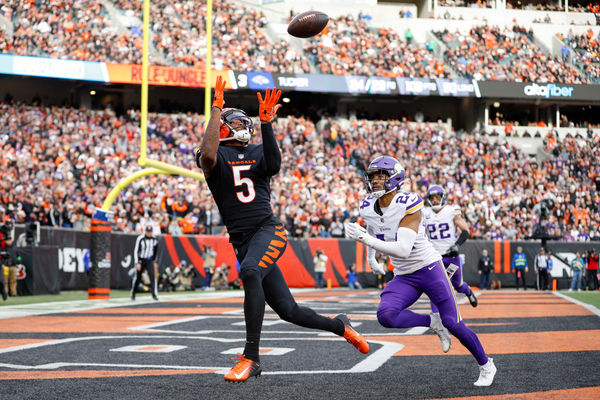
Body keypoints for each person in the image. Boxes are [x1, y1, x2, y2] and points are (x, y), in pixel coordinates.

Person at [196, 77, 369, 382]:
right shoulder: (215, 156)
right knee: (289, 311)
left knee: (250, 272)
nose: (242, 125)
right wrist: (215, 109)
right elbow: (208, 154)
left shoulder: (258, 152)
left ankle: (251, 357)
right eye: (235, 121)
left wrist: (266, 124)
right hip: (244, 241)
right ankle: (341, 325)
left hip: (268, 230)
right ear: (223, 127)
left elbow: (274, 163)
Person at [344, 155, 496, 386]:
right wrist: (371, 257)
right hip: (404, 275)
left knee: (453, 323)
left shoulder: (409, 202)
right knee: (386, 315)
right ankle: (432, 322)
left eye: (381, 176)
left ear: (395, 178)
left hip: (430, 268)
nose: (375, 181)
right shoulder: (367, 206)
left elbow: (403, 249)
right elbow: (375, 230)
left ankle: (486, 365)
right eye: (373, 176)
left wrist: (364, 238)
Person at [423, 185, 477, 307]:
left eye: (437, 197)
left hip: (451, 256)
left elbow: (465, 230)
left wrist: (457, 245)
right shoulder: (424, 212)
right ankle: (436, 318)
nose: (435, 200)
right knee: (435, 286)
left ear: (443, 198)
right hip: (435, 257)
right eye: (432, 198)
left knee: (457, 285)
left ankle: (468, 291)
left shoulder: (451, 211)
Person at [130, 225, 159, 301]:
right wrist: (137, 262)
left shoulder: (154, 239)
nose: (149, 233)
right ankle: (133, 293)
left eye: (150, 232)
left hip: (149, 260)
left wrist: (154, 260)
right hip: (141, 260)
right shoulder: (140, 238)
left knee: (152, 276)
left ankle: (154, 294)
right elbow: (136, 251)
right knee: (138, 278)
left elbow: (155, 250)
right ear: (145, 231)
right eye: (147, 231)